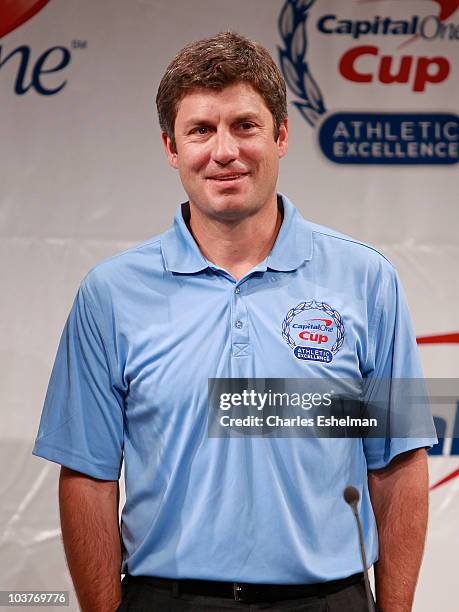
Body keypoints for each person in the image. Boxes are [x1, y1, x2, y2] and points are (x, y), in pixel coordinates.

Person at [33, 32, 437, 612]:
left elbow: (398, 461)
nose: (224, 151)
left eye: (245, 126)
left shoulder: (367, 280)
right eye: (201, 130)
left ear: (281, 136)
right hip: (164, 599)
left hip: (329, 600)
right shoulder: (110, 294)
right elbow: (89, 476)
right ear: (172, 148)